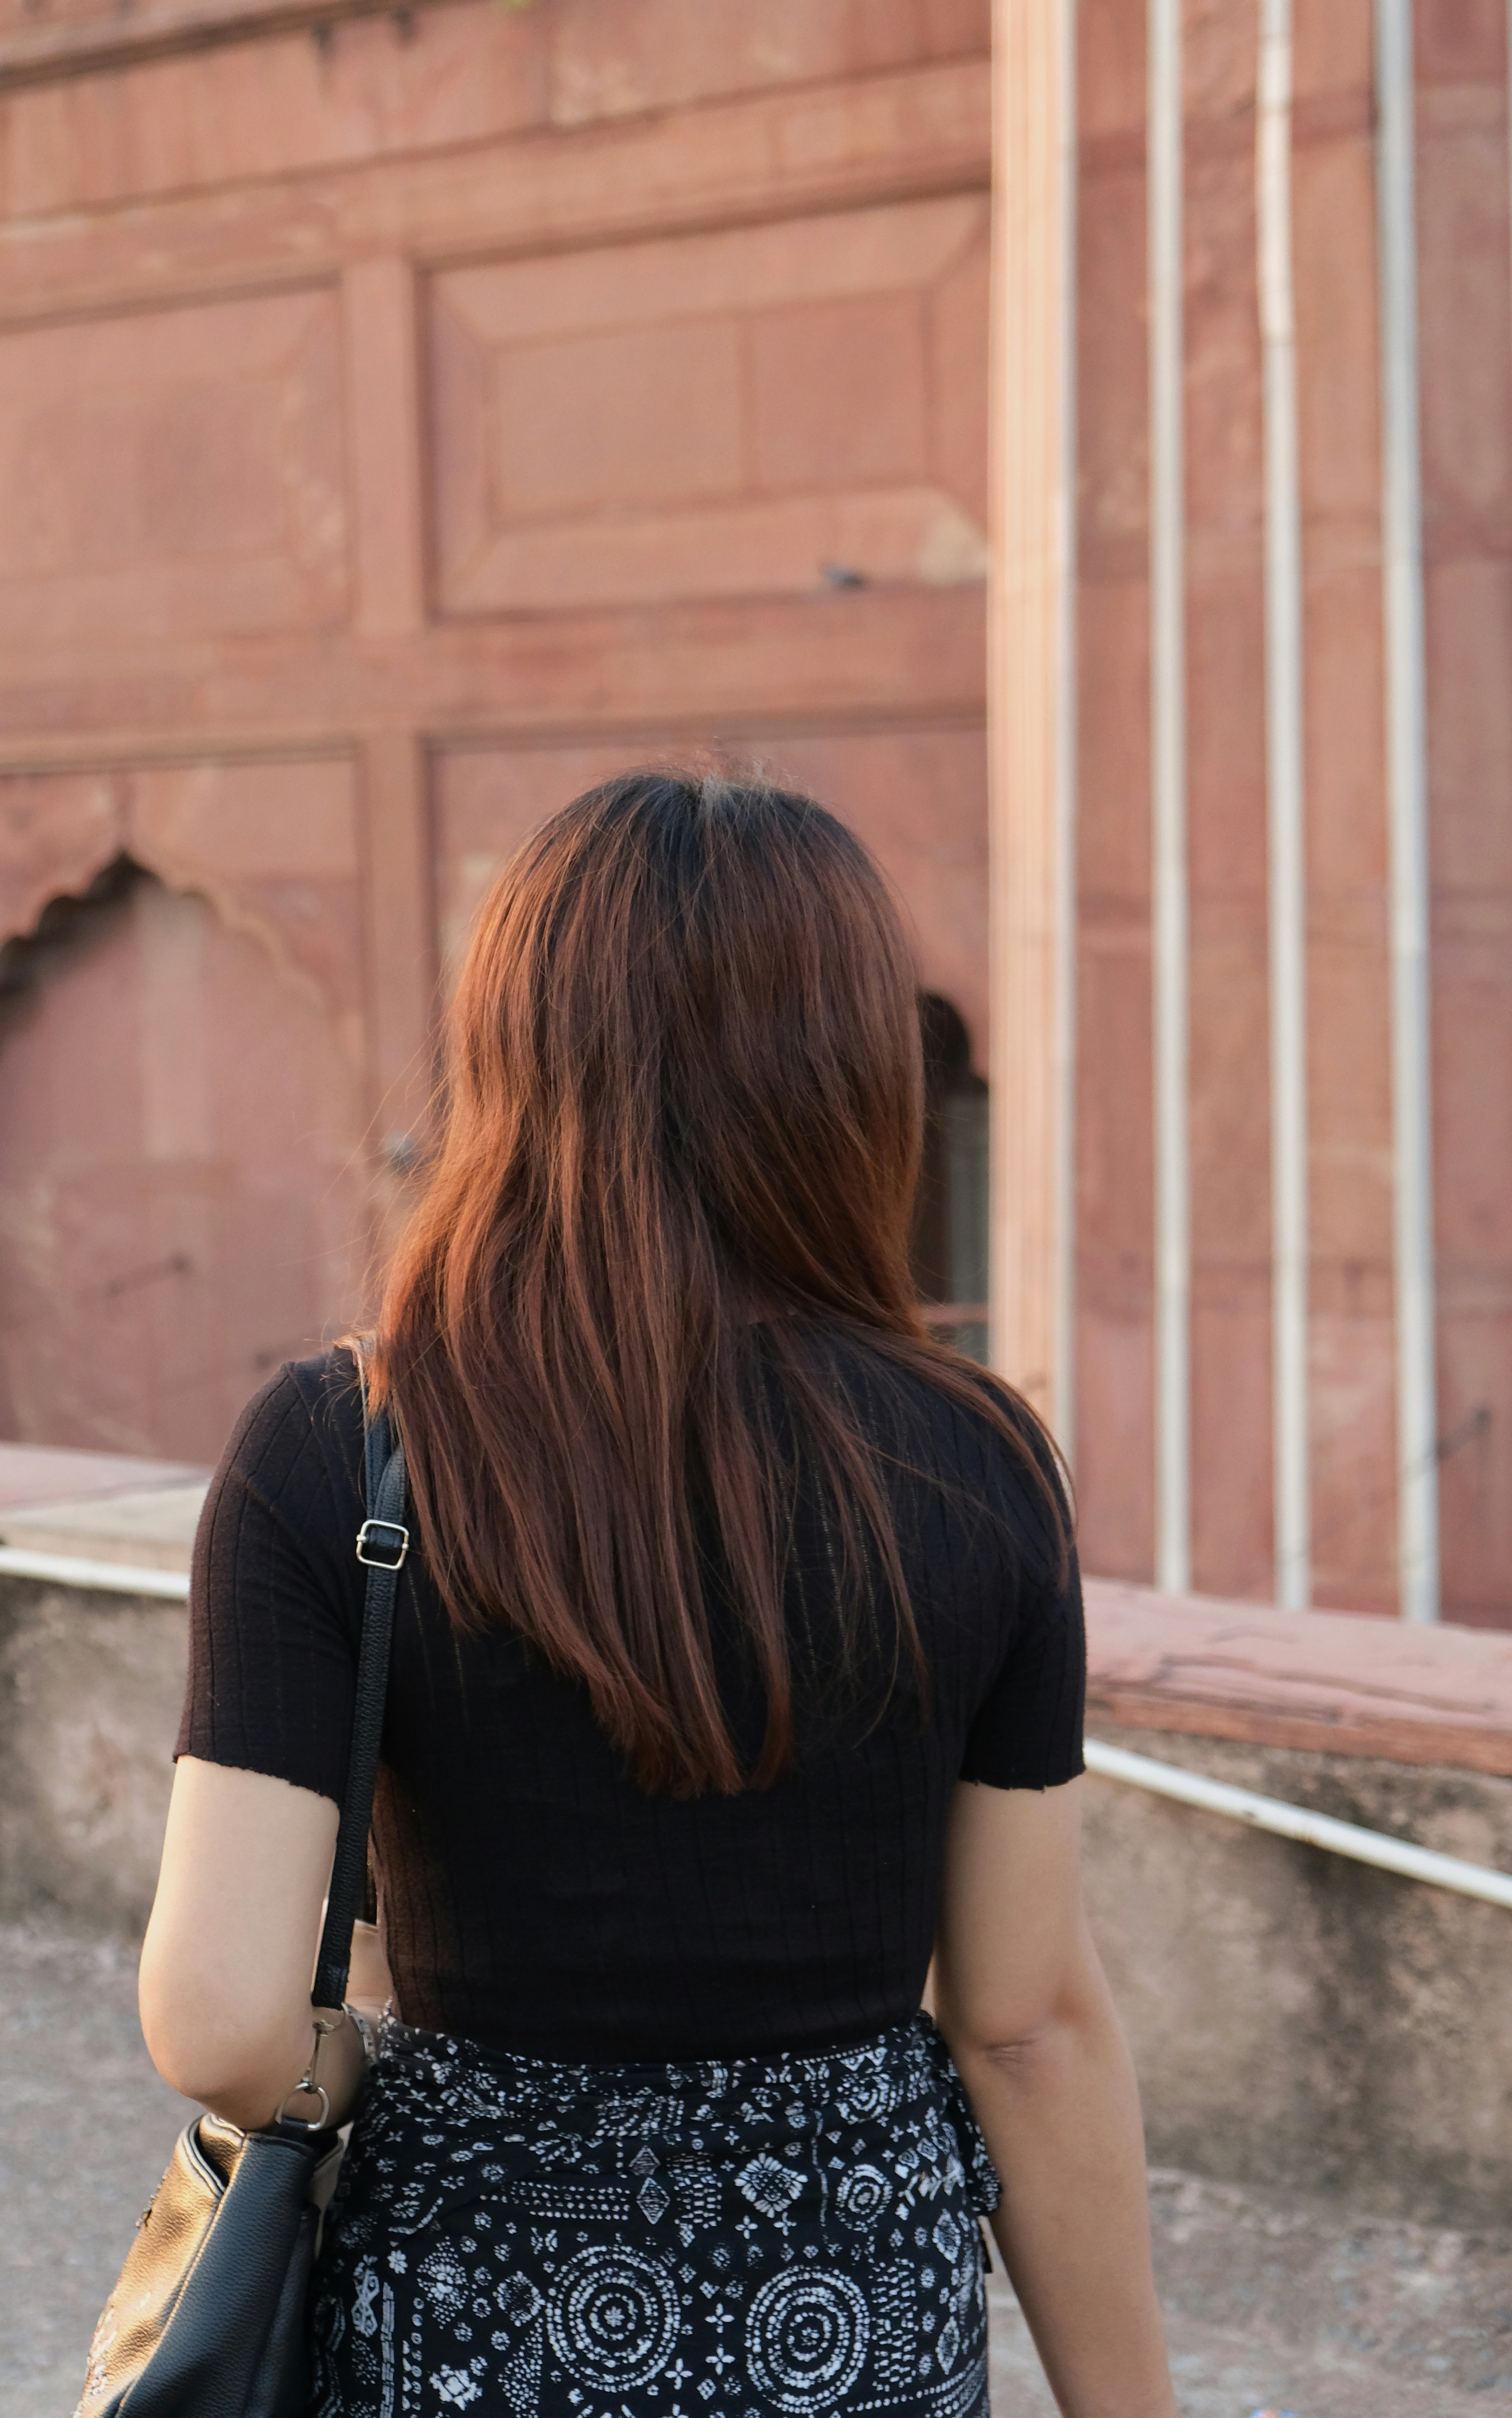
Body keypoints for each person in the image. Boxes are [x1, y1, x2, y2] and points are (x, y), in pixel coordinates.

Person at [140, 769, 1177, 2418]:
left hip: (470, 2330)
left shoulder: (342, 1451)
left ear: (508, 1056)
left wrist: (387, 2090)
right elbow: (1028, 2019)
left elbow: (219, 2021)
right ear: (850, 1073)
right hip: (854, 2338)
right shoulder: (978, 1466)